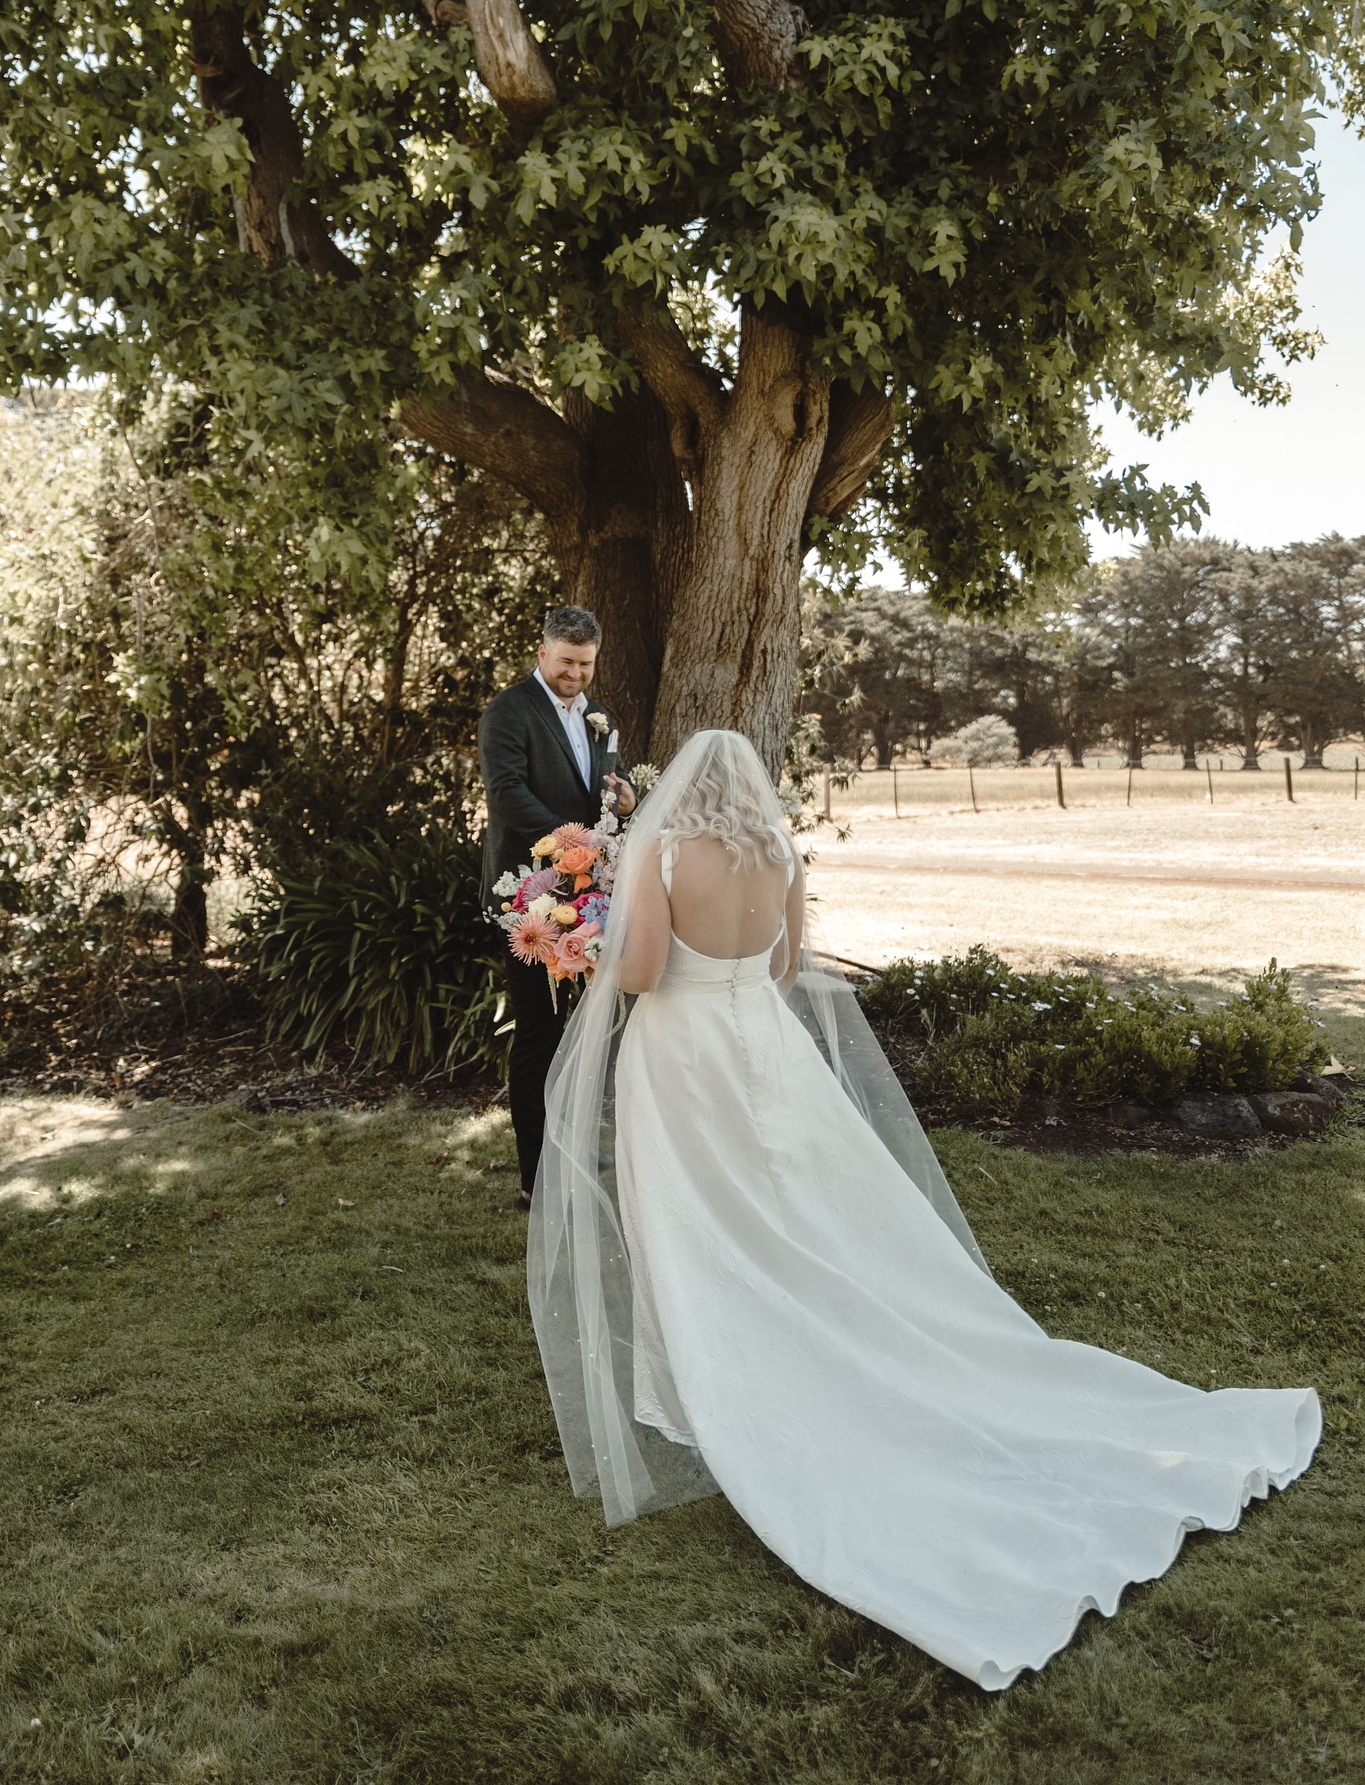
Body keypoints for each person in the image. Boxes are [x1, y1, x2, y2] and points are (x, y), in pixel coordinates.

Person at [526, 729, 1320, 1690]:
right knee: (799, 1209)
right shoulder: (779, 853)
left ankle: (723, 1373)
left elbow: (645, 974)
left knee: (697, 1215)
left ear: (678, 793)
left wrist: (589, 938)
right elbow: (783, 970)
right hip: (768, 1055)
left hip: (685, 1059)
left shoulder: (657, 851)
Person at [478, 605, 635, 1207]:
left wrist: (621, 803)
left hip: (589, 896)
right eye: (565, 661)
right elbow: (507, 791)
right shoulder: (508, 711)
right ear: (542, 653)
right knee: (538, 1032)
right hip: (528, 895)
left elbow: (607, 784)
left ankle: (567, 1144)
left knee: (583, 1028)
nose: (575, 674)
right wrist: (572, 839)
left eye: (585, 664)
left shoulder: (600, 717)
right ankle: (534, 1174)